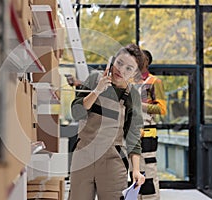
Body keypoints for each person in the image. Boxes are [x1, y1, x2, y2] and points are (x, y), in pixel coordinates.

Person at [68, 43, 146, 200]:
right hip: (83, 156)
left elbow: (133, 135)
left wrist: (136, 170)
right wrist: (97, 90)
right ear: (113, 60)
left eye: (129, 68)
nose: (121, 70)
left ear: (134, 74)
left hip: (112, 160)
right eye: (119, 63)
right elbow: (76, 113)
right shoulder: (94, 79)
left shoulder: (132, 96)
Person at [133, 49, 167, 200]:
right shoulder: (128, 82)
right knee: (134, 172)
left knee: (149, 173)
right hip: (130, 134)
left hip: (147, 133)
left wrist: (140, 105)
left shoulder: (155, 82)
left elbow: (161, 109)